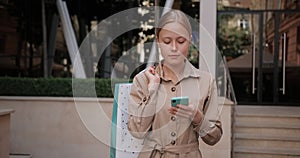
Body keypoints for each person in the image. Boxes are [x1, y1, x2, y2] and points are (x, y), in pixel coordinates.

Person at [127, 9, 222, 158]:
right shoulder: (143, 80)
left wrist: (198, 118)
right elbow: (136, 131)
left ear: (189, 40)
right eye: (166, 41)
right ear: (158, 41)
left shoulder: (206, 82)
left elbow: (214, 137)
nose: (174, 48)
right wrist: (152, 91)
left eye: (180, 41)